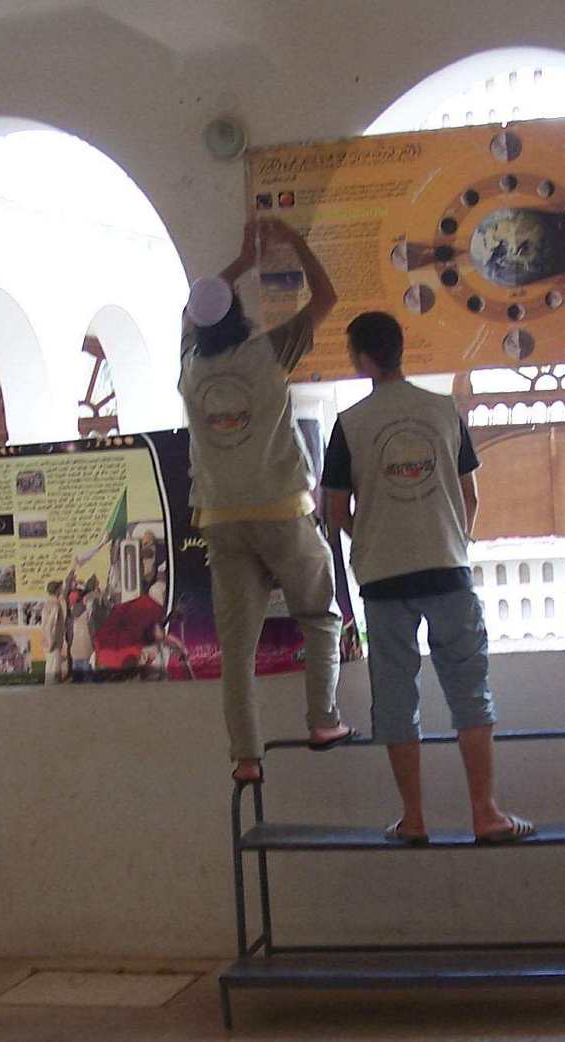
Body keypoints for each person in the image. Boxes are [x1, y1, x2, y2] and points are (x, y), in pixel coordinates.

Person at [322, 310, 532, 845]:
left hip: (383, 579)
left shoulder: (349, 424)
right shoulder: (443, 410)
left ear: (361, 359)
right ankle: (485, 813)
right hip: (447, 569)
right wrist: (455, 540)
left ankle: (413, 818)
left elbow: (334, 510)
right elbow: (471, 496)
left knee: (396, 698)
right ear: (399, 350)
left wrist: (370, 537)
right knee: (470, 692)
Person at [180, 216, 353, 783]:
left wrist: (239, 261)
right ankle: (324, 720)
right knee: (320, 616)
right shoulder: (269, 352)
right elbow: (327, 298)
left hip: (219, 518)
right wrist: (292, 243)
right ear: (238, 313)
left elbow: (194, 310)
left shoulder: (189, 366)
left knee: (236, 648)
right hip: (282, 510)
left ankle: (247, 757)